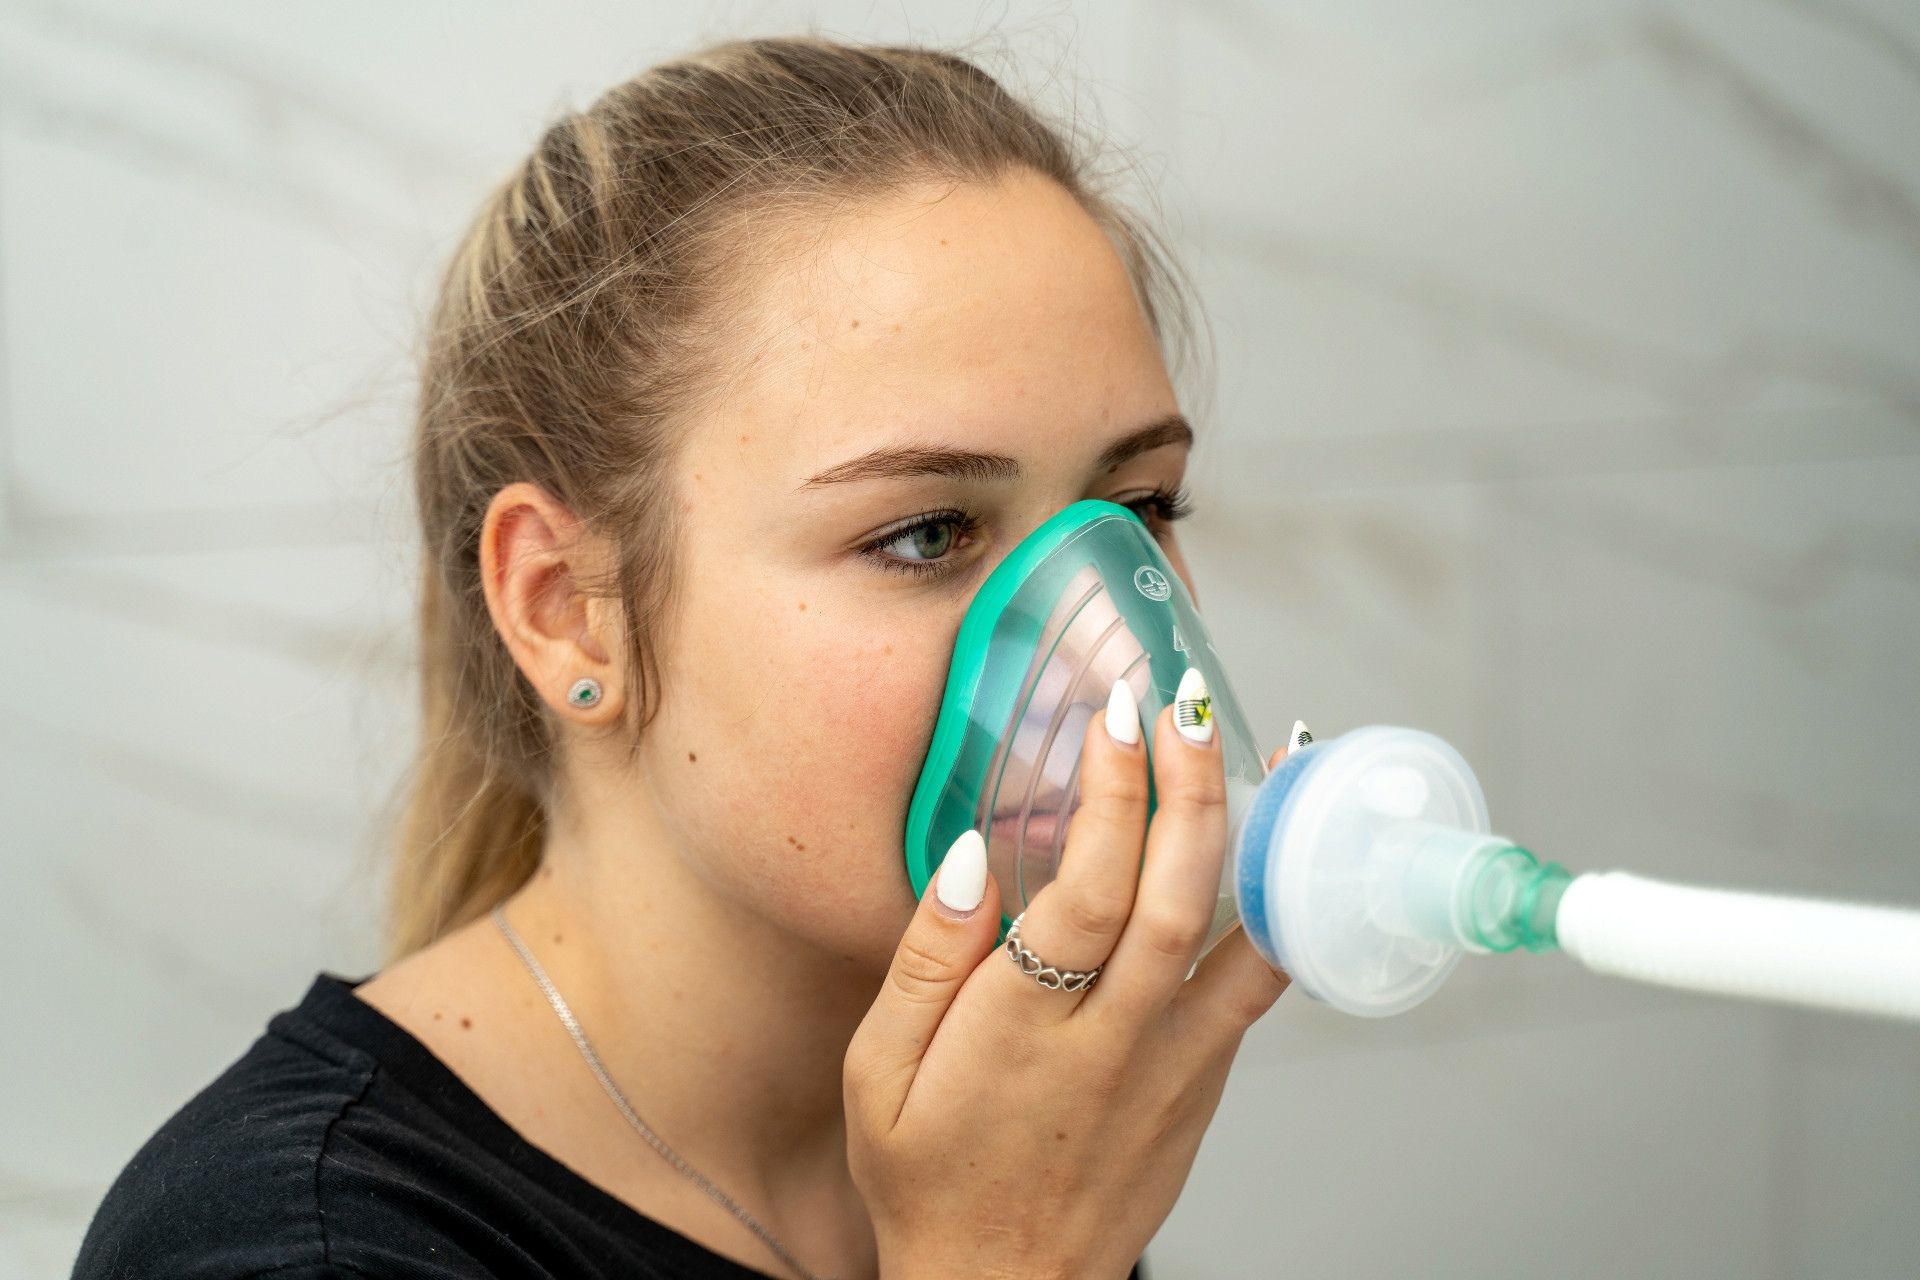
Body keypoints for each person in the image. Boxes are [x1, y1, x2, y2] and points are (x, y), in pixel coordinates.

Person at [71, 35, 1295, 1280]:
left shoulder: (994, 1131)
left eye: (1137, 507)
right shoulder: (297, 1248)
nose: (1108, 647)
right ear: (569, 610)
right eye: (927, 532)